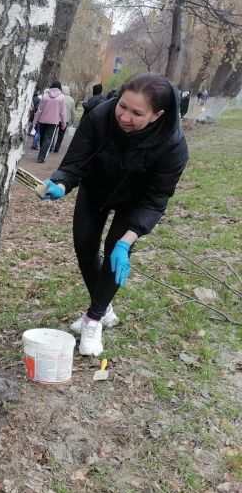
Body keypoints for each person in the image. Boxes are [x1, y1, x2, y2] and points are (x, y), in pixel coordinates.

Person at [39, 73, 188, 357]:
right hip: (95, 189)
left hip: (135, 201)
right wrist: (61, 183)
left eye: (136, 113)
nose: (124, 117)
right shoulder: (99, 116)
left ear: (157, 115)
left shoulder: (173, 146)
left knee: (113, 252)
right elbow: (76, 161)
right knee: (84, 248)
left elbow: (156, 199)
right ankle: (104, 308)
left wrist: (126, 240)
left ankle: (93, 320)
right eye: (123, 106)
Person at [32, 81, 67, 163]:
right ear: (60, 88)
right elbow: (63, 112)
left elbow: (39, 110)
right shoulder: (62, 97)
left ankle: (41, 154)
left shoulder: (44, 96)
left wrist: (35, 121)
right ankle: (41, 156)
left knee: (42, 137)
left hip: (42, 120)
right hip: (53, 122)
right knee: (48, 139)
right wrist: (63, 123)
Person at [52, 85, 76, 153]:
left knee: (53, 133)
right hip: (66, 120)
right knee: (61, 135)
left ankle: (51, 146)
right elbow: (73, 112)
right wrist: (72, 120)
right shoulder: (72, 100)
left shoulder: (58, 97)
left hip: (56, 118)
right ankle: (57, 148)